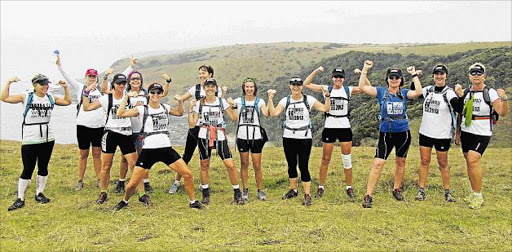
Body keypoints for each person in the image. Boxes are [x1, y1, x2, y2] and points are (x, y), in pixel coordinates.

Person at [114, 83, 203, 210]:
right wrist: (126, 97)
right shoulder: (142, 109)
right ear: (149, 94)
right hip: (149, 149)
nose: (155, 95)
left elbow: (179, 113)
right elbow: (120, 113)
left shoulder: (165, 107)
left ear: (161, 94)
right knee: (133, 183)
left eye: (158, 92)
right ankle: (124, 201)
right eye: (153, 92)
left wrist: (180, 102)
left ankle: (193, 202)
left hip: (166, 148)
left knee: (187, 174)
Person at [357, 60, 422, 208]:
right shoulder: (381, 92)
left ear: (400, 80)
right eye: (391, 77)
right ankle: (368, 195)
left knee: (400, 162)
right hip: (386, 134)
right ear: (387, 79)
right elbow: (362, 87)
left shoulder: (404, 93)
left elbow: (418, 92)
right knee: (378, 163)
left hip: (403, 133)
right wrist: (365, 69)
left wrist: (414, 75)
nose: (394, 80)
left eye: (397, 78)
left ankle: (397, 188)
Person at [2, 74, 71, 211]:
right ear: (35, 85)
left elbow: (67, 101)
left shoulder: (50, 97)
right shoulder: (26, 96)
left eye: (47, 84)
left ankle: (39, 193)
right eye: (42, 84)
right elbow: (4, 98)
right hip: (30, 138)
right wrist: (9, 82)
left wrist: (66, 88)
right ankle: (20, 198)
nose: (45, 86)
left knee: (43, 167)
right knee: (27, 169)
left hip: (47, 138)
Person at [101, 58, 169, 194]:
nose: (135, 81)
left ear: (141, 81)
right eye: (133, 79)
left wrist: (167, 82)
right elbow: (106, 91)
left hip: (141, 130)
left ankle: (145, 183)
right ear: (129, 82)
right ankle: (121, 181)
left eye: (138, 79)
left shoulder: (146, 94)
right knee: (123, 158)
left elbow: (163, 94)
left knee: (141, 157)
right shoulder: (124, 94)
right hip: (127, 129)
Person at [82, 73, 147, 205]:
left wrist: (137, 103)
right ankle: (103, 192)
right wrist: (85, 93)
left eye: (123, 83)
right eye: (119, 83)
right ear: (114, 85)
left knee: (134, 165)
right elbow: (87, 107)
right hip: (111, 133)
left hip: (126, 133)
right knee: (106, 166)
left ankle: (142, 194)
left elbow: (140, 110)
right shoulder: (107, 98)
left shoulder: (130, 98)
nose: (121, 86)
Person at [267, 77, 331, 206]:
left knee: (303, 165)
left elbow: (325, 109)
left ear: (302, 86)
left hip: (304, 137)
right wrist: (270, 98)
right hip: (289, 136)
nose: (296, 87)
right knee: (291, 165)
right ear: (290, 86)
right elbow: (273, 113)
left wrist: (327, 96)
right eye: (293, 85)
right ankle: (293, 190)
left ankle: (307, 194)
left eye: (298, 85)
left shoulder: (309, 100)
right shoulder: (286, 100)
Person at [454, 63, 508, 209]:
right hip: (466, 131)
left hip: (482, 132)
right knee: (469, 162)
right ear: (469, 75)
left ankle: (478, 195)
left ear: (484, 75)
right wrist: (457, 133)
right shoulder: (465, 92)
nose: (476, 75)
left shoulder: (490, 93)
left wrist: (504, 99)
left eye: (479, 73)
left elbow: (502, 112)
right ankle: (474, 192)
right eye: (473, 72)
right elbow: (461, 113)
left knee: (473, 160)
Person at [303, 66, 363, 199]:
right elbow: (306, 84)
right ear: (332, 78)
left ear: (344, 79)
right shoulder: (326, 88)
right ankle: (321, 187)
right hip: (330, 125)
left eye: (340, 77)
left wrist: (362, 73)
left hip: (344, 126)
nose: (338, 79)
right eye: (336, 77)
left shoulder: (348, 90)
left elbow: (365, 88)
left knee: (347, 158)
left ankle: (349, 187)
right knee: (325, 159)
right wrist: (316, 71)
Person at [168, 64, 224, 194]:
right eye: (199, 73)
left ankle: (203, 184)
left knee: (205, 157)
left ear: (210, 75)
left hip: (209, 129)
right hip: (195, 127)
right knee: (186, 156)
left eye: (204, 72)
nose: (201, 75)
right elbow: (182, 98)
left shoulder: (217, 89)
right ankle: (176, 182)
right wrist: (180, 100)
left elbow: (219, 105)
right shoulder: (196, 88)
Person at [188, 78, 243, 204]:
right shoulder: (199, 103)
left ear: (216, 88)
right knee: (204, 165)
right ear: (204, 88)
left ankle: (237, 192)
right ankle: (205, 193)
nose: (210, 89)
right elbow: (192, 124)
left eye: (212, 86)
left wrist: (234, 106)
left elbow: (234, 118)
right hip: (203, 135)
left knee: (230, 165)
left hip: (219, 135)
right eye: (208, 86)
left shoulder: (221, 101)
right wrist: (190, 110)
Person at [55, 54, 104, 190]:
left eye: (94, 76)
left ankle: (99, 179)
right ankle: (80, 180)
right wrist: (59, 65)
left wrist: (131, 66)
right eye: (89, 76)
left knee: (97, 154)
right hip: (83, 126)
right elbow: (67, 77)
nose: (91, 78)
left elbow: (119, 81)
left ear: (96, 78)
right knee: (83, 154)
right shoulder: (80, 87)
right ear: (86, 77)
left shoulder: (102, 89)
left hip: (98, 126)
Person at [415, 64, 458, 202]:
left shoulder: (449, 93)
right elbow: (413, 91)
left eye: (442, 74)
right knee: (424, 161)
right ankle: (421, 190)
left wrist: (460, 95)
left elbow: (458, 106)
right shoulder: (428, 90)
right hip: (425, 132)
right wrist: (415, 77)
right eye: (436, 74)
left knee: (443, 163)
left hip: (442, 135)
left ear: (446, 76)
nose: (439, 77)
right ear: (433, 76)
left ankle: (447, 192)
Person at [229, 78, 269, 201]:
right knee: (244, 164)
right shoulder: (238, 101)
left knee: (257, 165)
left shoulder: (259, 101)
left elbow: (266, 113)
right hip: (242, 136)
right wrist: (232, 104)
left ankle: (259, 189)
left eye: (251, 87)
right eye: (247, 87)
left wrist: (270, 98)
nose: (249, 89)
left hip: (256, 136)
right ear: (243, 88)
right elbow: (235, 118)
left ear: (255, 88)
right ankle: (245, 189)